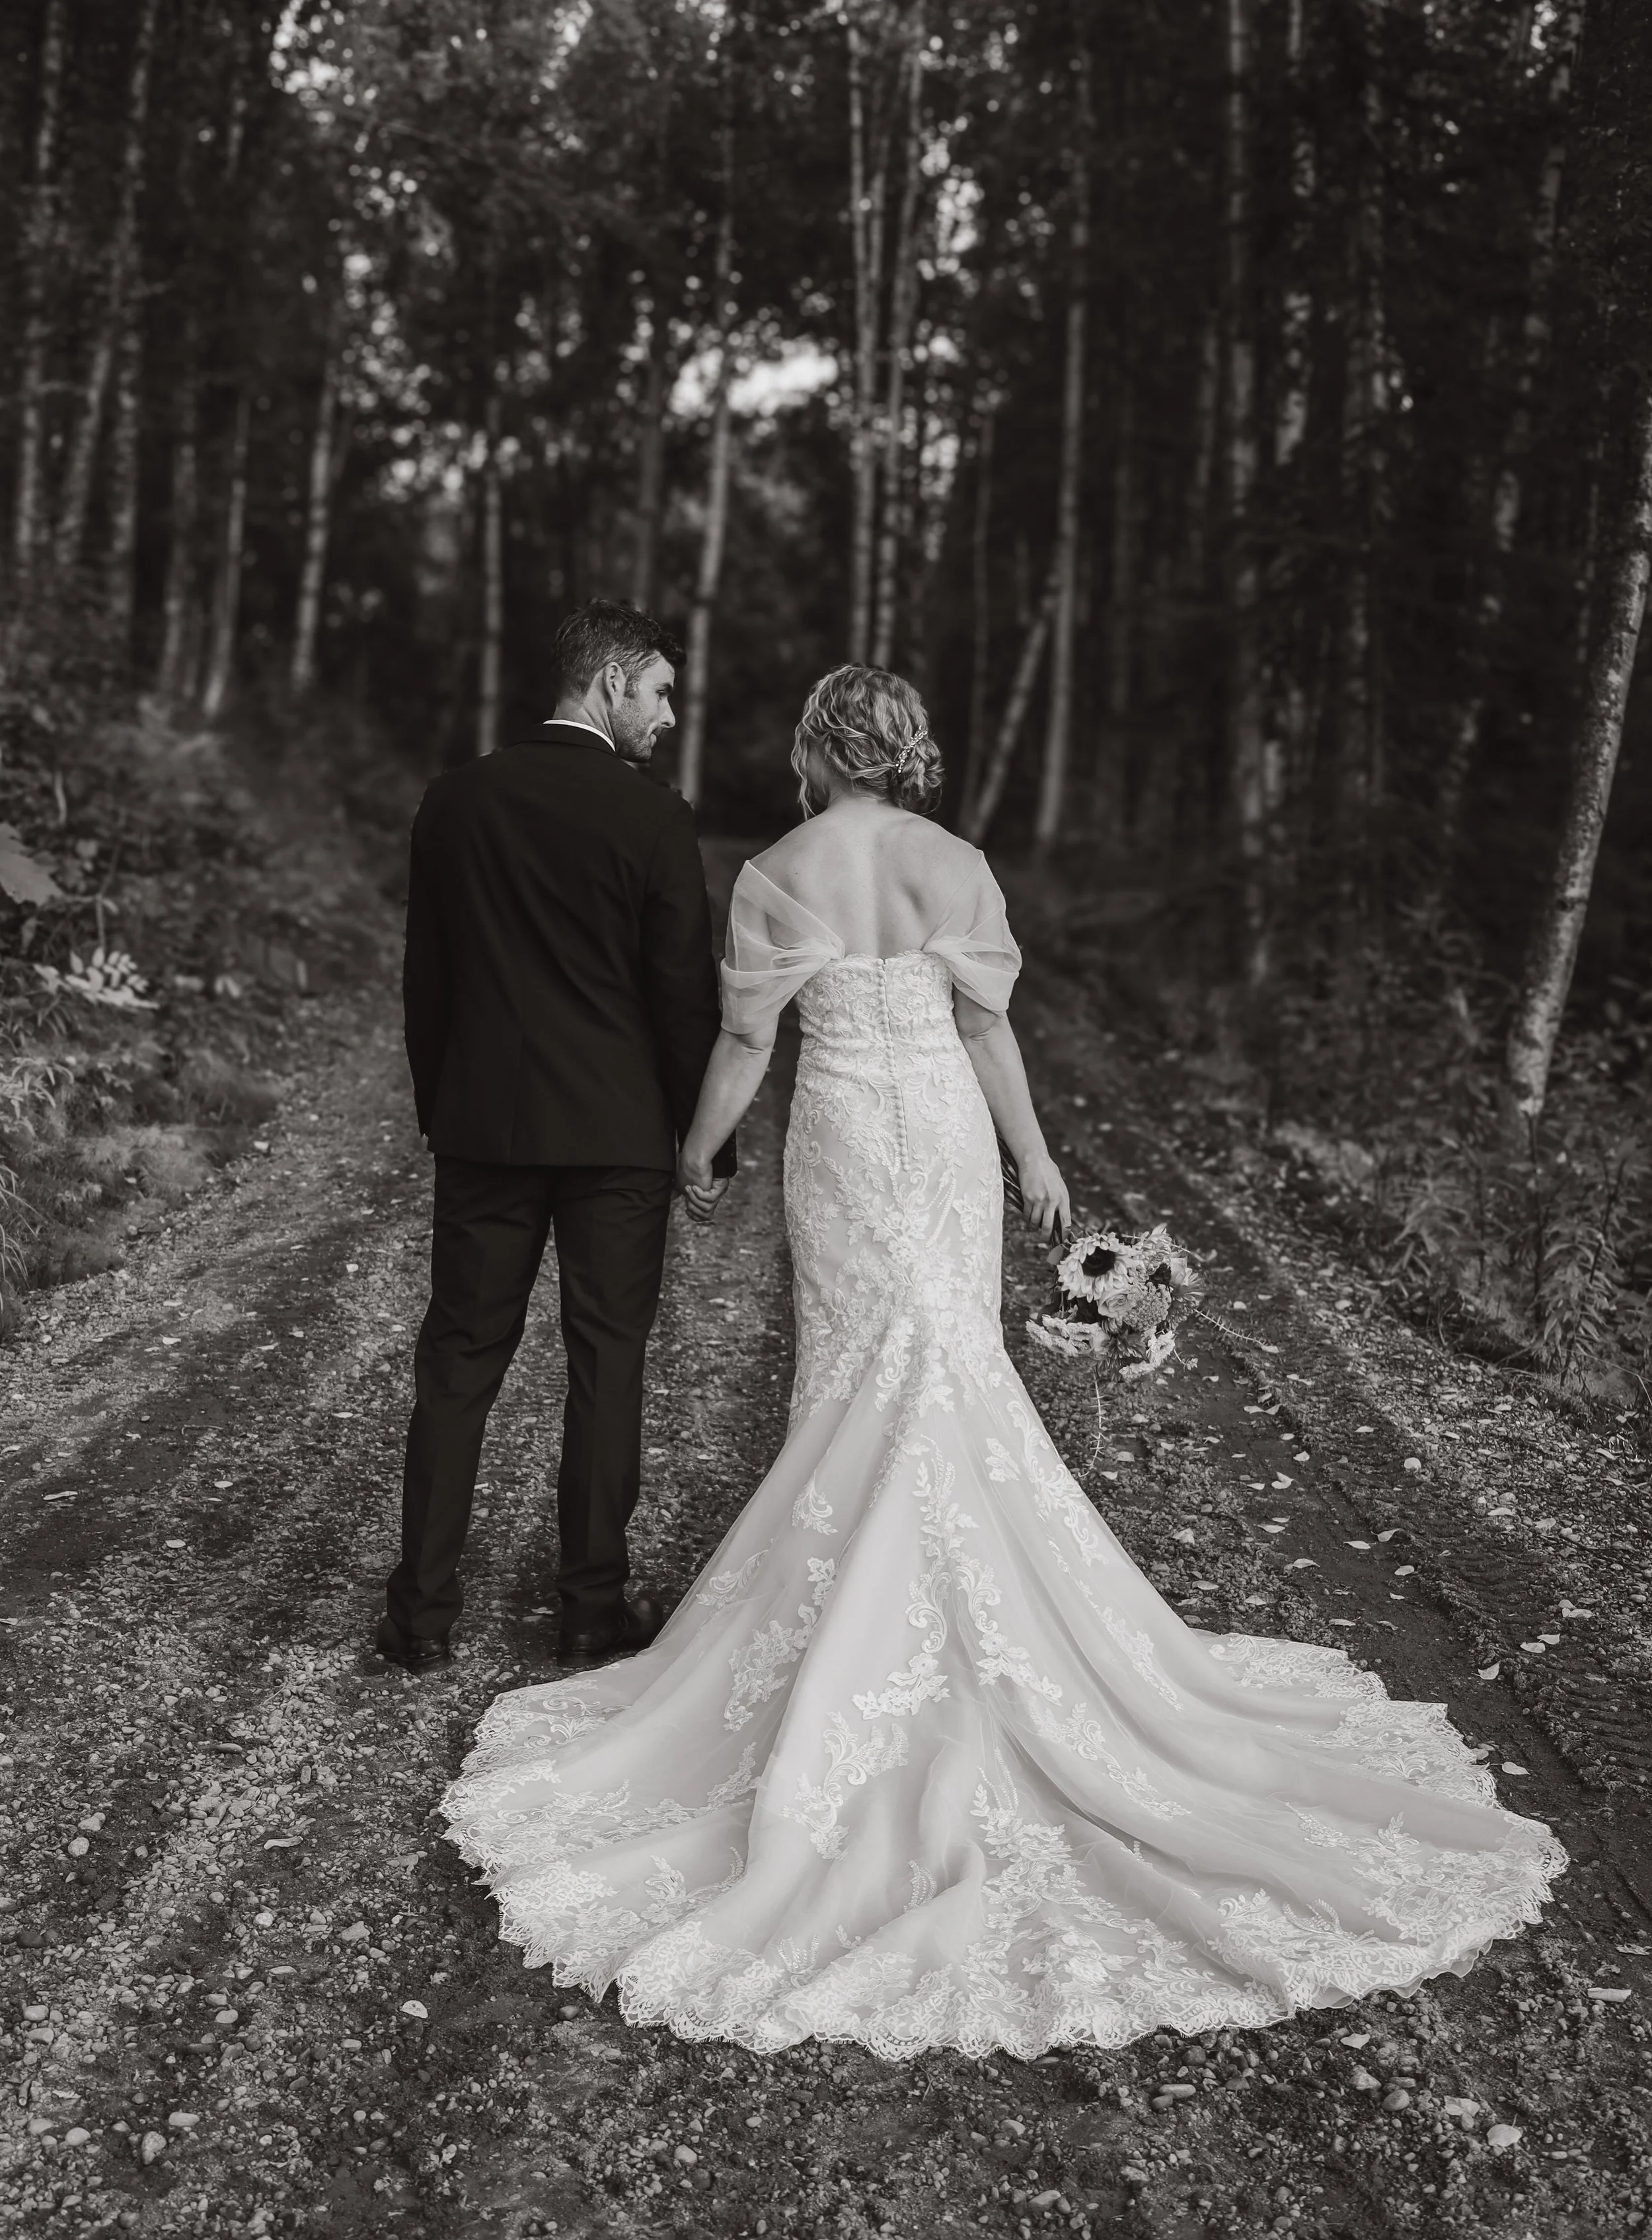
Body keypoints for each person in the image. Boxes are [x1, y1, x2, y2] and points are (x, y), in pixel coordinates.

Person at [439, 664, 1565, 2062]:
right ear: (905, 749)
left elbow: (744, 1034)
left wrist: (694, 1148)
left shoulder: (777, 864)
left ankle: (854, 1624)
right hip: (943, 1143)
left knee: (859, 1368)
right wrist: (1033, 1157)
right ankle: (963, 1619)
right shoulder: (957, 863)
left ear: (813, 750)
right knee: (943, 1361)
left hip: (845, 1144)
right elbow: (984, 1026)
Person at [379, 600, 734, 1676]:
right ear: (613, 680)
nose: (670, 714)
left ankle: (422, 1617)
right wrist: (701, 1137)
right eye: (662, 691)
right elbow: (681, 1000)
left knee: (458, 1361)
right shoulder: (654, 820)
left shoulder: (456, 802)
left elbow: (427, 981)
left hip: (485, 1126)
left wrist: (445, 1106)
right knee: (606, 1361)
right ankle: (589, 1611)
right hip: (618, 1136)